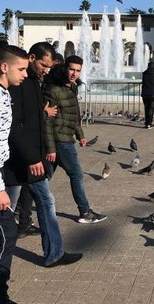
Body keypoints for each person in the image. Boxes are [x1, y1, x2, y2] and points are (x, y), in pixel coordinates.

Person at [5, 42, 83, 268]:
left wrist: (43, 114)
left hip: (31, 158)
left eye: (49, 66)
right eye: (43, 65)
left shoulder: (33, 81)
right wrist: (32, 157)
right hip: (19, 161)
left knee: (45, 201)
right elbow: (16, 126)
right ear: (31, 58)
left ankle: (54, 253)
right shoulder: (18, 83)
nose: (47, 70)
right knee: (7, 210)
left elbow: (30, 118)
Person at [43, 55, 106, 224]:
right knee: (76, 174)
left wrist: (80, 134)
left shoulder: (72, 87)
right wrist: (50, 148)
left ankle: (20, 211)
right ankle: (84, 212)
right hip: (60, 139)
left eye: (78, 70)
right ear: (65, 68)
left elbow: (73, 114)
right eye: (71, 69)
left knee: (42, 177)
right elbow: (47, 121)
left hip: (65, 137)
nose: (74, 73)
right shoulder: (53, 89)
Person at [0, 45, 29, 304]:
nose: (25, 74)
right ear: (4, 67)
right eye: (21, 69)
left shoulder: (6, 93)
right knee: (7, 234)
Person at [141, 62, 154, 129]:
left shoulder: (144, 73)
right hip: (153, 94)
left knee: (146, 109)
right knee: (151, 109)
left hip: (145, 94)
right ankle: (149, 123)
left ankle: (146, 123)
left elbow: (143, 81)